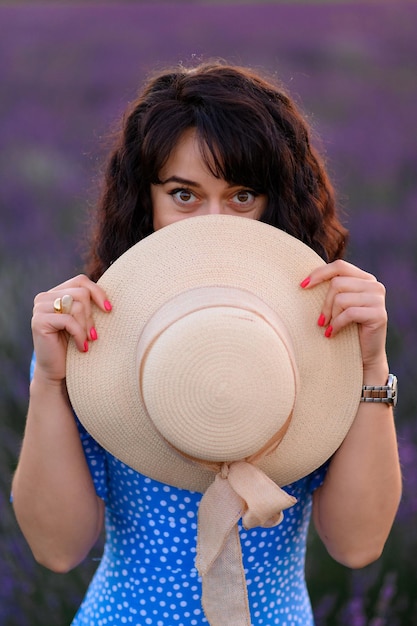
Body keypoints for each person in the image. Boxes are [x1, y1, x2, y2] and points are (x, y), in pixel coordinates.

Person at [11, 61, 401, 626]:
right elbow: (57, 549)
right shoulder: (95, 335)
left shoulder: (328, 336)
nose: (214, 221)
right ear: (145, 201)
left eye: (243, 196)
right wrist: (48, 380)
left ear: (279, 200)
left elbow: (358, 545)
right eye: (184, 195)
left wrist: (371, 365)